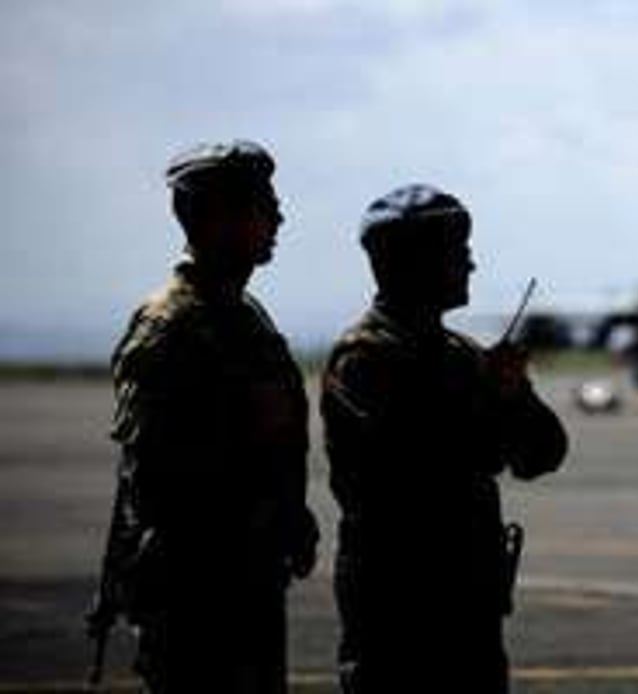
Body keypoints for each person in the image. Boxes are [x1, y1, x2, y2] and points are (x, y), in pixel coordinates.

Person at [88, 141, 319, 693]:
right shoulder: (171, 327)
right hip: (198, 596)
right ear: (218, 219)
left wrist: (288, 515)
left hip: (249, 582)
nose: (278, 217)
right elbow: (151, 477)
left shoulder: (241, 312)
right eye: (264, 205)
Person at [321, 185, 568, 692]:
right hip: (400, 611)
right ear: (410, 264)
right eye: (455, 254)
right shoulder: (364, 360)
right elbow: (418, 469)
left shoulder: (462, 355)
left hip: (467, 605)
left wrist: (514, 392)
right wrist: (489, 406)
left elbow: (543, 453)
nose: (470, 265)